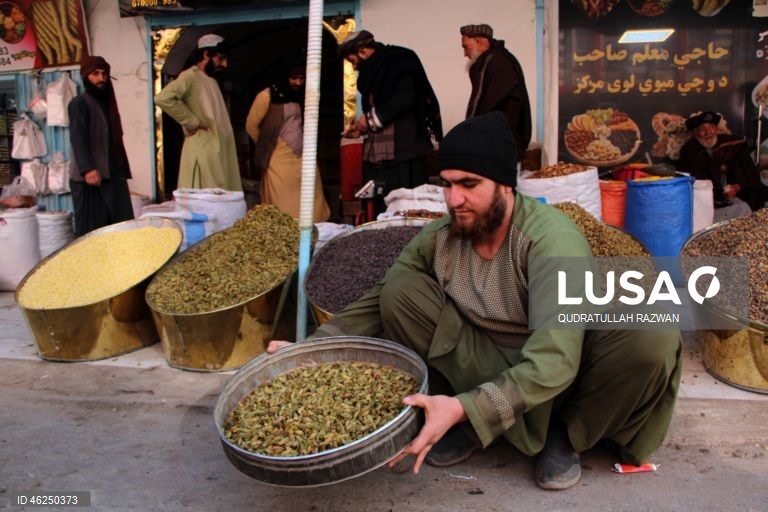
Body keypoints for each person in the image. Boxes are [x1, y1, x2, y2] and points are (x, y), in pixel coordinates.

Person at [268, 112, 681, 490]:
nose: (453, 199)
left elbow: (555, 360)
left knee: (652, 335)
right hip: (486, 357)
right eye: (447, 184)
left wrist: (466, 407)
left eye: (469, 185)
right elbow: (378, 300)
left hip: (565, 371)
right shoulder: (441, 236)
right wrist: (314, 350)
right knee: (401, 292)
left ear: (505, 184)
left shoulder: (551, 241)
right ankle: (472, 420)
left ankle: (562, 434)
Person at [338, 30, 443, 215]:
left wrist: (367, 121)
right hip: (382, 159)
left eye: (353, 61)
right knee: (383, 210)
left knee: (404, 209)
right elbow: (382, 108)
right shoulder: (375, 73)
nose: (354, 68)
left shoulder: (397, 63)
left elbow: (404, 99)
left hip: (403, 155)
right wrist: (362, 128)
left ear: (362, 52)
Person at [155, 34, 242, 191]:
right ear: (206, 54)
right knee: (205, 202)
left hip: (218, 151)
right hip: (203, 149)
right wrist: (193, 122)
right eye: (220, 58)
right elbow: (163, 98)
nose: (224, 64)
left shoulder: (211, 81)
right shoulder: (190, 76)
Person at [246, 64, 330, 221]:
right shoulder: (266, 96)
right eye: (294, 78)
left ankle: (313, 236)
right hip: (279, 160)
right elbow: (251, 126)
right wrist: (268, 146)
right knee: (283, 203)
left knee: (311, 195)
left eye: (301, 78)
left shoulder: (302, 95)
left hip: (303, 157)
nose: (298, 83)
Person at [69, 56, 134, 236]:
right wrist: (88, 168)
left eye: (104, 74)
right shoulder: (79, 103)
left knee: (120, 228)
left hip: (112, 175)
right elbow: (78, 137)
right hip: (90, 179)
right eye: (95, 74)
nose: (101, 79)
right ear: (85, 77)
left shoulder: (107, 103)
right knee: (92, 233)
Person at [460, 24, 531, 162]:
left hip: (498, 147)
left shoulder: (492, 62)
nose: (465, 54)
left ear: (479, 42)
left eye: (465, 47)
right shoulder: (500, 58)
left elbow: (479, 106)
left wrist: (469, 137)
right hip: (504, 144)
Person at [677, 111, 765, 221]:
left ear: (716, 129)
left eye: (711, 127)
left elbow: (750, 175)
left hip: (738, 196)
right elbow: (689, 182)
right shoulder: (689, 151)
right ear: (695, 132)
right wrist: (719, 194)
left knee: (743, 210)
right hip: (706, 201)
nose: (708, 132)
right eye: (702, 129)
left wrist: (738, 186)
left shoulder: (732, 144)